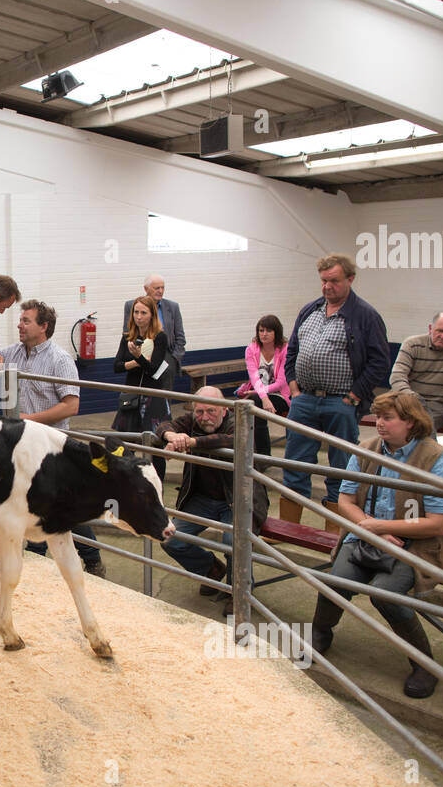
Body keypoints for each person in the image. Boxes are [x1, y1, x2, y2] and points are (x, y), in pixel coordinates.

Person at [311, 391, 443, 700]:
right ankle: (320, 633)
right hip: (367, 537)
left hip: (415, 546)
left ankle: (424, 664)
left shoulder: (438, 460)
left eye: (387, 418)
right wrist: (372, 531)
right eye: (377, 416)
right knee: (333, 581)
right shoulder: (366, 450)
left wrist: (379, 526)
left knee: (386, 595)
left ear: (410, 422)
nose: (379, 423)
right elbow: (345, 501)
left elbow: (438, 524)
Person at [0, 300, 106, 578]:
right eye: (21, 320)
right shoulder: (15, 352)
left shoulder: (60, 359)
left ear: (43, 327)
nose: (19, 324)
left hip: (52, 448)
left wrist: (28, 420)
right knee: (56, 505)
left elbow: (71, 406)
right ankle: (88, 559)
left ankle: (45, 560)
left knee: (48, 503)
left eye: (26, 320)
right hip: (23, 446)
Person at [282, 253, 389, 529]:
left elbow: (380, 361)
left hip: (341, 403)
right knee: (295, 462)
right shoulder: (309, 310)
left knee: (340, 466)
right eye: (324, 281)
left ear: (350, 280)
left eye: (334, 281)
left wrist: (354, 396)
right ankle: (290, 528)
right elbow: (291, 349)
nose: (328, 286)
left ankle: (334, 530)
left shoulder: (365, 316)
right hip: (303, 400)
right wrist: (293, 386)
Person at [156, 386, 268, 618]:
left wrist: (192, 442)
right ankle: (212, 569)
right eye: (199, 412)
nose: (204, 417)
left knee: (232, 541)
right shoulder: (193, 421)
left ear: (224, 410)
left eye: (211, 411)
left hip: (238, 499)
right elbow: (163, 426)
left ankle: (239, 592)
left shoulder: (239, 421)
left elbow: (231, 440)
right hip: (202, 498)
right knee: (170, 539)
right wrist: (173, 437)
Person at [111, 295, 172, 435]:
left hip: (152, 395)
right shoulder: (127, 336)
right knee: (127, 441)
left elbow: (153, 369)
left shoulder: (160, 337)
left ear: (152, 315)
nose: (139, 317)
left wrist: (138, 357)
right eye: (136, 312)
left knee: (155, 441)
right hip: (131, 395)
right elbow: (116, 366)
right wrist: (138, 361)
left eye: (143, 313)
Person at [235, 314, 289, 458]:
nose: (264, 334)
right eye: (261, 330)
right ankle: (256, 454)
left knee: (257, 404)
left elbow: (281, 382)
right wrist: (264, 397)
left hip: (280, 394)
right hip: (258, 393)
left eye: (268, 331)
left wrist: (262, 394)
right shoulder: (251, 349)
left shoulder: (284, 349)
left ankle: (263, 456)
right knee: (251, 405)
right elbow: (254, 378)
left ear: (276, 332)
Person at [122, 274, 185, 387]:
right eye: (157, 288)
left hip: (166, 355)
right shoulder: (132, 305)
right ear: (146, 289)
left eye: (162, 288)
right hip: (142, 351)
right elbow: (128, 332)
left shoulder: (173, 307)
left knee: (163, 393)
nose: (160, 291)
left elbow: (180, 337)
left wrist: (174, 359)